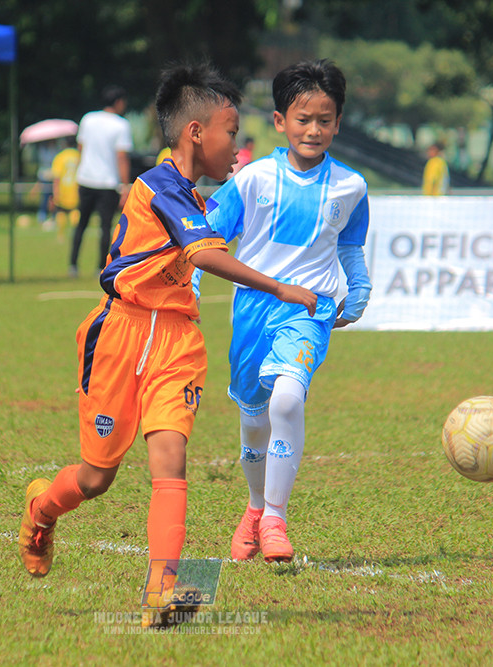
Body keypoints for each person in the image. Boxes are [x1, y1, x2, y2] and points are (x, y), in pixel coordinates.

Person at [16, 63, 317, 626]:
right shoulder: (157, 186)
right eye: (232, 132)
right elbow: (203, 254)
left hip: (176, 340)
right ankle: (41, 510)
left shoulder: (198, 195)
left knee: (170, 457)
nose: (239, 146)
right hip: (121, 334)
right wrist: (279, 287)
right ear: (195, 132)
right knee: (96, 477)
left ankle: (163, 591)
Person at [197, 59, 370, 564]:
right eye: (302, 119)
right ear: (280, 121)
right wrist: (188, 282)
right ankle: (253, 509)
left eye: (324, 119)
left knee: (288, 401)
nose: (313, 130)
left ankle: (275, 518)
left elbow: (351, 244)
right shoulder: (252, 179)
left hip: (310, 309)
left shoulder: (351, 187)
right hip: (253, 310)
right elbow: (205, 235)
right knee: (253, 424)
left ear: (338, 123)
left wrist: (357, 287)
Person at [68, 85, 134, 277]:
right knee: (105, 227)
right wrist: (125, 185)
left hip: (86, 178)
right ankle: (100, 266)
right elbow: (122, 157)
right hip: (108, 182)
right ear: (119, 102)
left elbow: (81, 147)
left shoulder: (88, 119)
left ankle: (73, 264)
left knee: (82, 224)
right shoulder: (121, 125)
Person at [50, 140, 80, 243]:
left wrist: (55, 192)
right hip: (76, 188)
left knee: (61, 211)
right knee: (75, 210)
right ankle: (75, 233)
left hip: (63, 187)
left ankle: (60, 235)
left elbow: (56, 176)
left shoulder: (60, 156)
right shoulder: (79, 155)